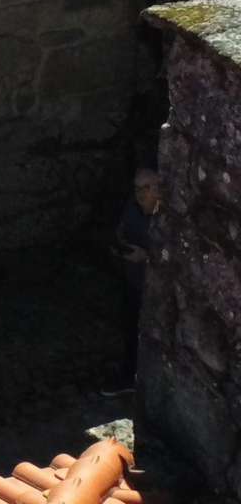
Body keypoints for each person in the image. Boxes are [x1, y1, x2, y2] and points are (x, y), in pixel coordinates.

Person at [101, 168, 161, 397]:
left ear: (160, 188)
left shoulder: (170, 216)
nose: (140, 193)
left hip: (153, 290)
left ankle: (134, 378)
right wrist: (119, 245)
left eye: (147, 187)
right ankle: (129, 371)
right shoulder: (133, 208)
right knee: (130, 327)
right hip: (133, 281)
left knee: (145, 333)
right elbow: (121, 229)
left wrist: (146, 257)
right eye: (137, 187)